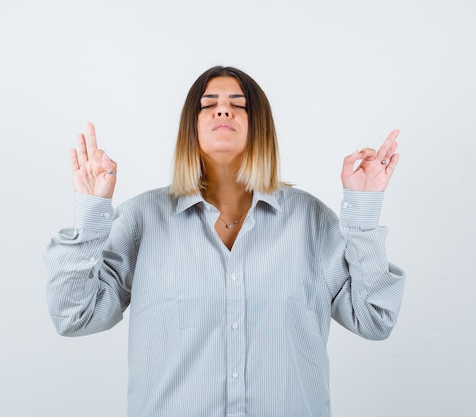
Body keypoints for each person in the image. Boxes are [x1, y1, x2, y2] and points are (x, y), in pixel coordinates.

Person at [44, 66, 406, 417]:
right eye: (209, 103)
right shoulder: (142, 219)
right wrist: (92, 210)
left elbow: (374, 319)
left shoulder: (309, 221)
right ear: (192, 127)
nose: (223, 109)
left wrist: (362, 209)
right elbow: (75, 316)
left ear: (259, 126)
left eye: (238, 103)